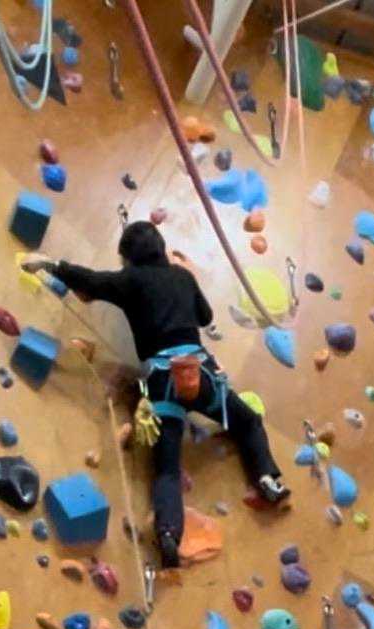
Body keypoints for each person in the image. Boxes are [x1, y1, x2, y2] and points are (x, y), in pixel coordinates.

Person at [23, 220, 290, 569]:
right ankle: (268, 480)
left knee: (167, 468)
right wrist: (188, 278)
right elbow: (205, 316)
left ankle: (167, 535)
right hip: (199, 373)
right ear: (162, 250)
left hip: (163, 380)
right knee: (248, 421)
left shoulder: (130, 279)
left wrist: (50, 265)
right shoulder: (182, 277)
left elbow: (91, 281)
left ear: (128, 258)